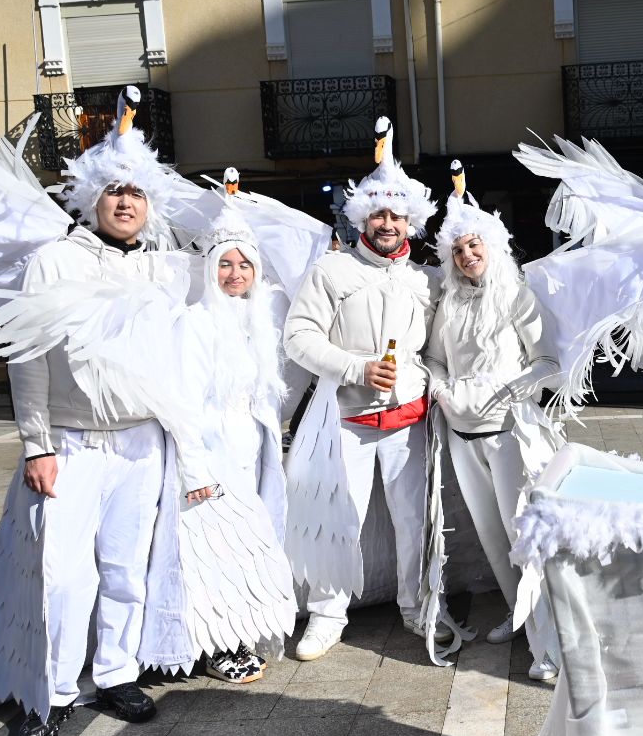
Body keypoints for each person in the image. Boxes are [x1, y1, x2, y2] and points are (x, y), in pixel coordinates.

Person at [0, 91, 214, 736]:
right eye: (113, 191)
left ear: (150, 205)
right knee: (62, 574)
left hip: (143, 445)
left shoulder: (163, 271)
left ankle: (115, 674)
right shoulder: (54, 261)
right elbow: (27, 360)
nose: (124, 202)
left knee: (124, 569)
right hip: (73, 444)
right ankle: (53, 693)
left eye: (136, 193)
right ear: (90, 197)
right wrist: (37, 445)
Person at [283, 118, 447, 662]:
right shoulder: (330, 270)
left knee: (414, 519)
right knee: (338, 516)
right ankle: (328, 615)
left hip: (410, 418)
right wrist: (355, 369)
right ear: (361, 218)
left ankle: (418, 607)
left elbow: (444, 345)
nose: (387, 223)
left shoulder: (428, 279)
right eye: (377, 213)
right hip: (343, 419)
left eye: (397, 215)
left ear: (411, 222)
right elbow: (298, 338)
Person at [424, 164, 563, 679]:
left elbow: (548, 362)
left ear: (494, 247)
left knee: (523, 531)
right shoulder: (449, 303)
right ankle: (520, 614)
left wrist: (510, 391)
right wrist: (443, 391)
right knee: (492, 536)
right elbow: (434, 358)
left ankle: (547, 646)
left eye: (475, 246)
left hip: (511, 435)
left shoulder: (516, 295)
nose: (467, 256)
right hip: (463, 434)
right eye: (458, 250)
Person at [180, 215, 299, 682]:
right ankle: (218, 645)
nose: (234, 274)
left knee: (247, 546)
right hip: (212, 451)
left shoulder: (258, 321)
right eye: (224, 264)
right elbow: (184, 399)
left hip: (250, 445)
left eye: (244, 265)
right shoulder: (194, 321)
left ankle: (240, 633)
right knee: (212, 548)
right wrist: (195, 467)